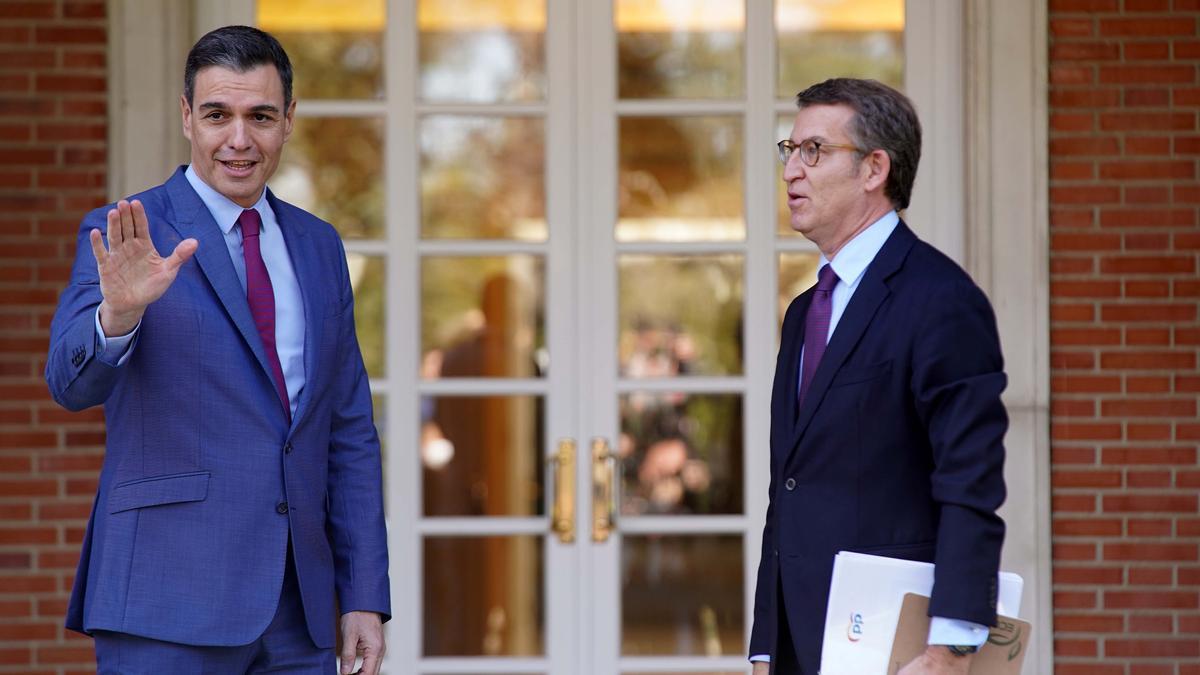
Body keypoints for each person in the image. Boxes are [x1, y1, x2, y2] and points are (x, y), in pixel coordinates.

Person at [44, 26, 389, 675]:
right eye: (217, 115)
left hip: (300, 609)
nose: (239, 139)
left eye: (260, 116)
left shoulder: (319, 247)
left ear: (288, 120)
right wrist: (119, 313)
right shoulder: (124, 231)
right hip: (165, 602)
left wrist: (364, 594)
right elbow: (69, 383)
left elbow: (348, 432)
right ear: (186, 117)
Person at [749, 78, 1007, 675]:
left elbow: (969, 487)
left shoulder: (942, 300)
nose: (792, 171)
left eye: (814, 151)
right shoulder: (804, 312)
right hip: (797, 648)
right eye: (790, 150)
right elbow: (786, 492)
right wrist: (765, 647)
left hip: (898, 649)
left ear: (874, 169)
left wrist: (951, 648)